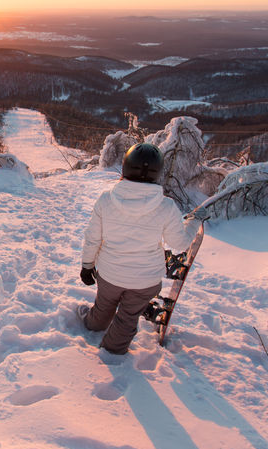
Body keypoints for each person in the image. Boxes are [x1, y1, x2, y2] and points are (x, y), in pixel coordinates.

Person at [76, 142, 199, 355]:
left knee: (104, 304)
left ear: (125, 167)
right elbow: (179, 243)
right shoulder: (166, 206)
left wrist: (87, 266)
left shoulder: (106, 200)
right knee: (128, 317)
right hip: (146, 280)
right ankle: (112, 354)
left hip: (110, 274)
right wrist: (193, 224)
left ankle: (94, 324)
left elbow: (92, 238)